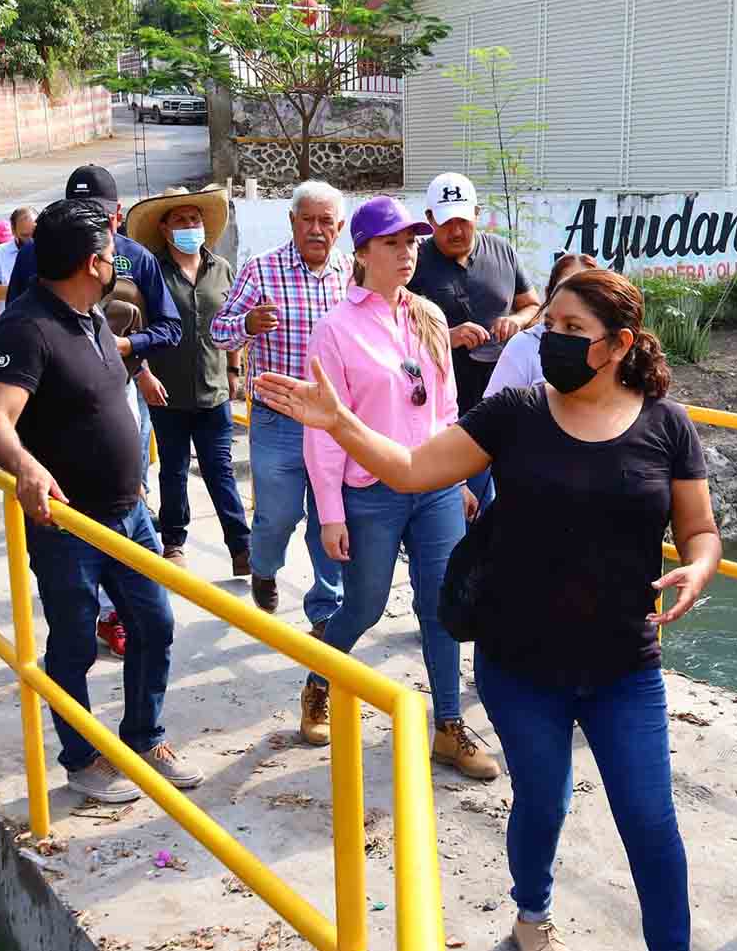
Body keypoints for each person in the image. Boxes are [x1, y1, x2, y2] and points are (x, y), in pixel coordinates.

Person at [256, 265, 722, 951]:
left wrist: (700, 566)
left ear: (620, 346)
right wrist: (337, 422)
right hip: (520, 660)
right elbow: (409, 469)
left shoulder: (667, 425)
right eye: (551, 329)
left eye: (574, 333)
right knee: (544, 800)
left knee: (650, 816)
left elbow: (701, 528)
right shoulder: (512, 414)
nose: (555, 345)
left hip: (624, 666)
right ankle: (532, 915)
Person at [0, 199, 199, 800]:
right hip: (69, 525)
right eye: (109, 251)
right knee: (74, 643)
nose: (116, 258)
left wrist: (143, 375)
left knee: (154, 623)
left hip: (130, 513)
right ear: (88, 263)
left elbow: (99, 390)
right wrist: (24, 465)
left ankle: (143, 737)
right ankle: (82, 758)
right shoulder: (27, 328)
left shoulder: (94, 317)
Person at [290, 196, 497, 779]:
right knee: (365, 603)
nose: (406, 254)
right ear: (361, 253)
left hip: (432, 486)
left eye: (411, 242)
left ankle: (449, 727)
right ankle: (319, 678)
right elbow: (326, 432)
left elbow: (448, 408)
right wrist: (330, 513)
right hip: (371, 492)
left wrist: (452, 477)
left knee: (441, 605)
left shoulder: (428, 317)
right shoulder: (335, 329)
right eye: (392, 244)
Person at [8, 166, 182, 657]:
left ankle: (144, 725)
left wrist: (130, 351)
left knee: (155, 615)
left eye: (99, 216)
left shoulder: (133, 262)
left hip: (118, 382)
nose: (92, 226)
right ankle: (99, 619)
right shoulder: (40, 273)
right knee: (73, 629)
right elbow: (20, 337)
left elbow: (171, 327)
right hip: (57, 401)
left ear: (117, 216)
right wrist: (25, 461)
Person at [208, 181, 349, 624]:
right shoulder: (261, 270)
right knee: (280, 515)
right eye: (307, 219)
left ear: (340, 227)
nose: (316, 228)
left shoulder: (352, 273)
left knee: (331, 515)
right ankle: (264, 568)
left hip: (333, 421)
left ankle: (326, 609)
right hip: (279, 417)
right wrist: (248, 323)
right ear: (292, 221)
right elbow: (219, 330)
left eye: (326, 221)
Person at [130, 185, 250, 572]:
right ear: (164, 230)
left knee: (221, 471)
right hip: (167, 391)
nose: (189, 226)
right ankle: (174, 541)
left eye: (194, 219)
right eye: (180, 220)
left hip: (214, 391)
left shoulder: (221, 268)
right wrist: (143, 374)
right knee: (174, 470)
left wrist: (234, 369)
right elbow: (137, 327)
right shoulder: (151, 272)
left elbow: (231, 320)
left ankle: (241, 547)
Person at [408, 171, 540, 508]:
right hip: (446, 404)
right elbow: (391, 330)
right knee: (466, 501)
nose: (456, 230)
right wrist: (445, 337)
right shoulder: (414, 261)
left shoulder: (501, 250)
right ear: (429, 220)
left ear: (477, 215)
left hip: (506, 391)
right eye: (446, 222)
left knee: (514, 492)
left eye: (463, 221)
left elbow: (533, 306)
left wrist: (515, 321)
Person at [483, 253, 599, 399]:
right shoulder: (524, 345)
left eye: (586, 290)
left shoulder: (604, 345)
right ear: (549, 293)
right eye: (565, 287)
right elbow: (493, 414)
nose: (574, 298)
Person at [0, 207, 35, 304]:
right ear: (13, 230)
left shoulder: (47, 251)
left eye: (33, 235)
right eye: (25, 235)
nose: (30, 240)